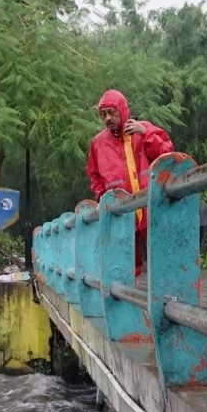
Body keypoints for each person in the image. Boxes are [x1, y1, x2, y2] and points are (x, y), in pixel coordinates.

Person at [85, 89, 174, 275]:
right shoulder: (98, 143)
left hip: (151, 207)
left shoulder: (144, 129)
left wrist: (146, 133)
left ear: (123, 110)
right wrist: (104, 197)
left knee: (162, 259)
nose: (108, 118)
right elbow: (94, 175)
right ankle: (130, 299)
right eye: (103, 115)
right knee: (126, 265)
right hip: (122, 211)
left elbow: (167, 156)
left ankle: (166, 298)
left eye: (112, 112)